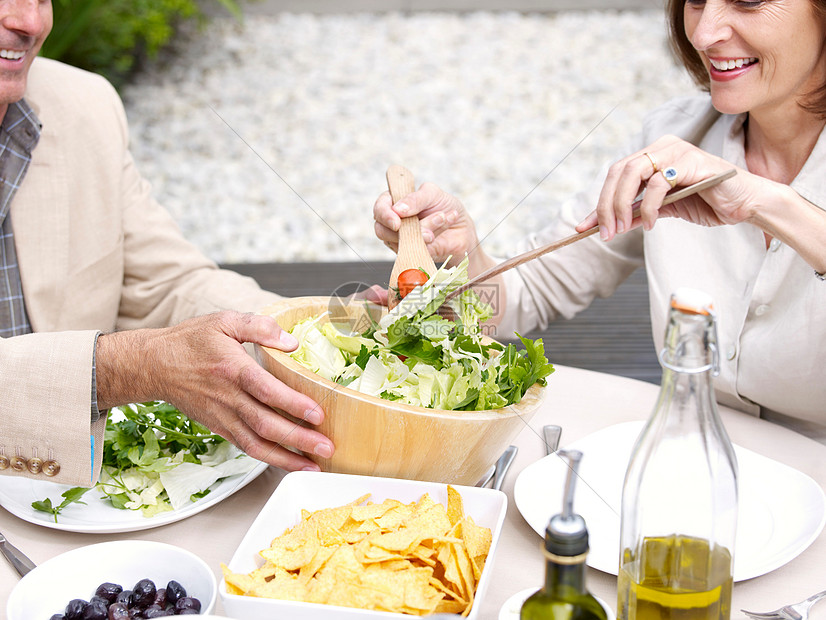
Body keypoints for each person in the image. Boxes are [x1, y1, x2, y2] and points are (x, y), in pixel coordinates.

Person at [374, 0, 826, 441]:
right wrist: (462, 257)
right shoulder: (674, 141)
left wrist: (769, 205)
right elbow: (534, 289)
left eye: (748, 1)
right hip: (695, 448)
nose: (705, 32)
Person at [0, 0, 335, 486]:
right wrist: (128, 368)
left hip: (76, 501)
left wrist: (323, 334)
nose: (29, 22)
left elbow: (165, 284)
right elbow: (148, 358)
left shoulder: (84, 105)